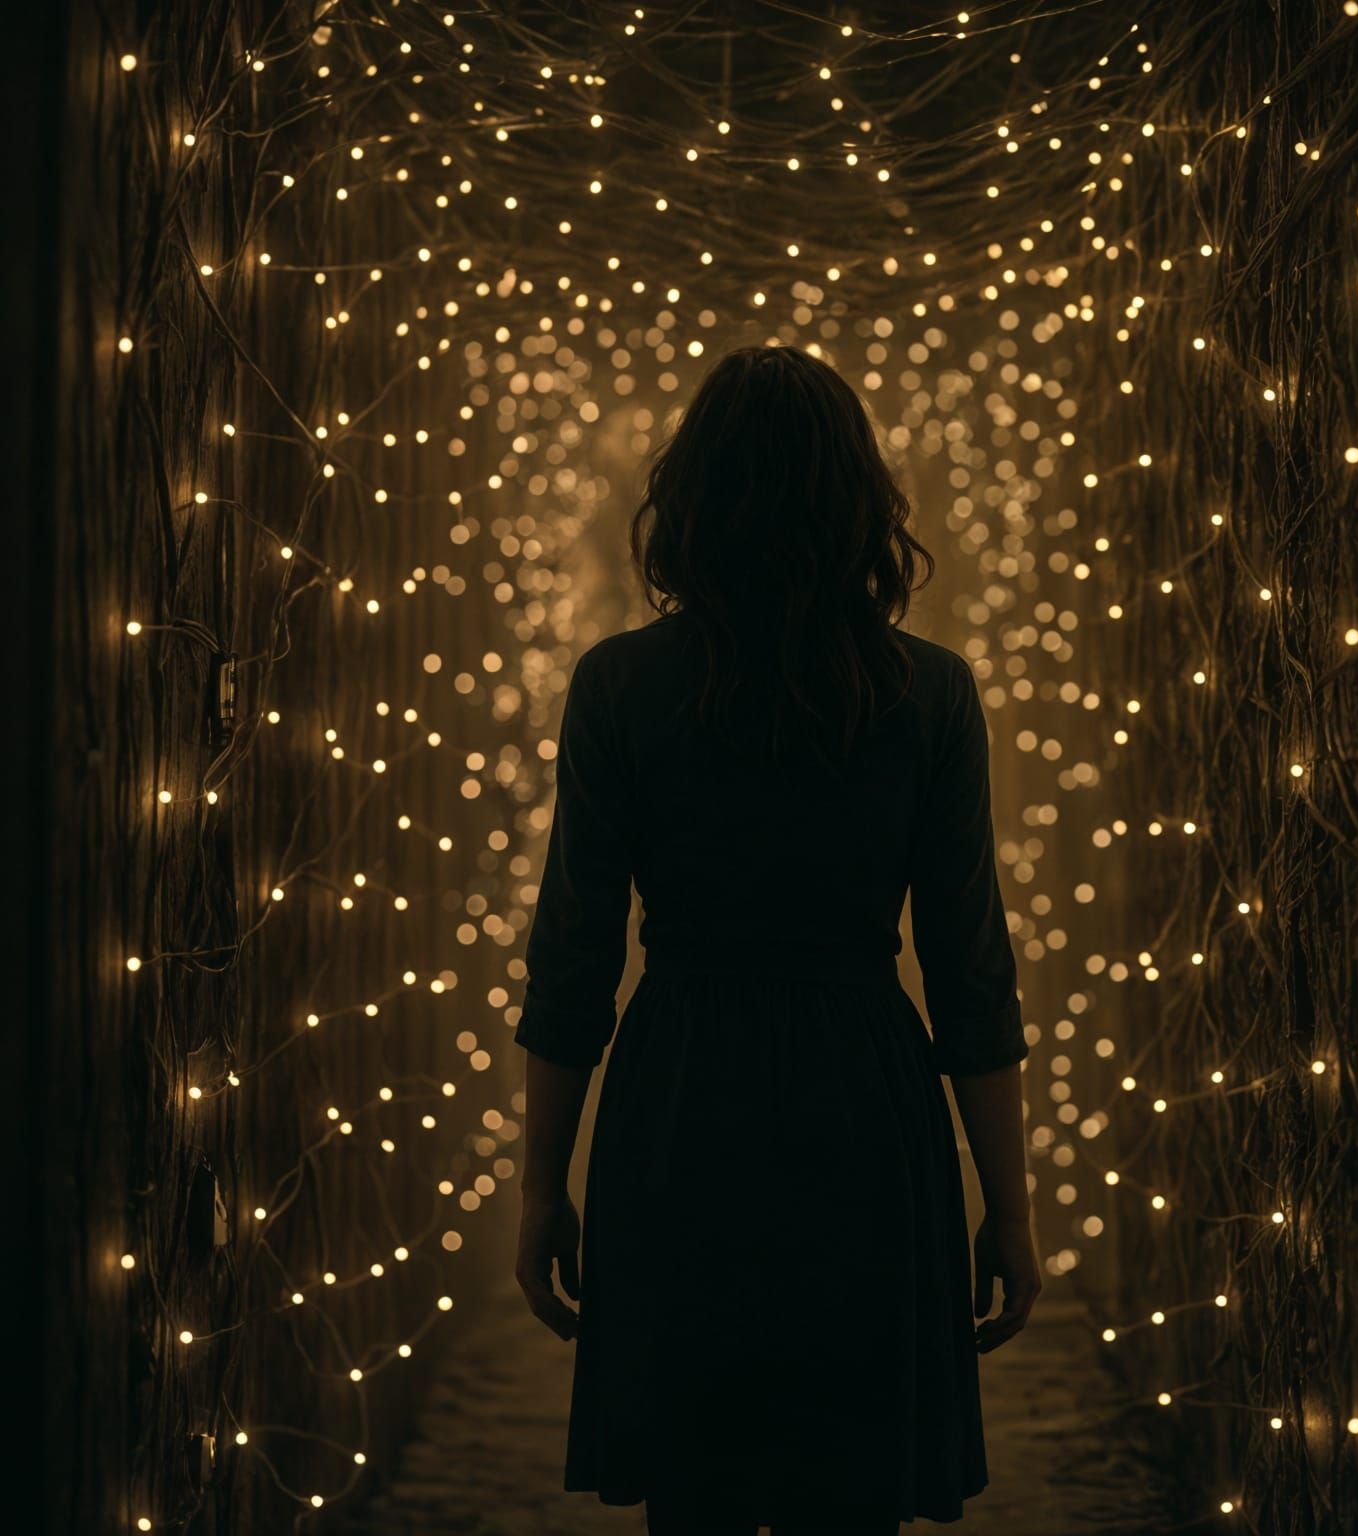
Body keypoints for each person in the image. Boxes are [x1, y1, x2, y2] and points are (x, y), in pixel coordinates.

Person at [513, 343, 1042, 1535]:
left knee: (695, 1490)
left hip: (680, 1103)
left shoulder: (619, 688)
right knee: (847, 1493)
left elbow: (573, 969)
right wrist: (1008, 1210)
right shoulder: (930, 694)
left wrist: (542, 1191)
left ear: (688, 499)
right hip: (866, 1107)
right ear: (863, 502)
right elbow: (970, 980)